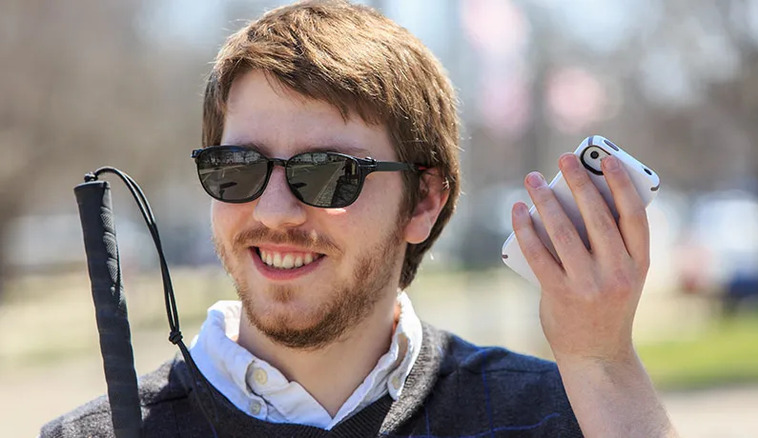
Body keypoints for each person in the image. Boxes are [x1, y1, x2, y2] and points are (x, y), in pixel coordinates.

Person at [42, 1, 678, 436]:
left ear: (424, 201)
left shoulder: (558, 415)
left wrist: (603, 362)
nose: (273, 210)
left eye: (325, 173)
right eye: (237, 168)